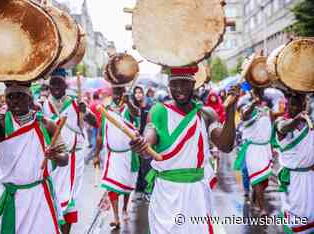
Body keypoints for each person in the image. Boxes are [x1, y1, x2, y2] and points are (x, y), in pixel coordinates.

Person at [130, 65, 239, 233]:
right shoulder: (158, 111)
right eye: (174, 84)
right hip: (166, 194)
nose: (179, 89)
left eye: (184, 83)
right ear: (168, 85)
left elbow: (226, 145)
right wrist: (143, 145)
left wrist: (230, 111)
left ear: (194, 84)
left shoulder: (206, 114)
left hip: (196, 194)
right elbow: (148, 138)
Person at [0, 82, 68, 234]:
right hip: (12, 198)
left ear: (30, 98)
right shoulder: (1, 123)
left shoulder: (47, 124)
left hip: (39, 197)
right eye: (10, 96)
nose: (15, 100)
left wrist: (55, 156)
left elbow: (65, 159)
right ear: (5, 100)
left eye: (20, 95)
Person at [42, 68, 97, 234]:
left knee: (69, 198)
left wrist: (85, 111)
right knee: (52, 197)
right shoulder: (43, 105)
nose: (56, 86)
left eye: (60, 82)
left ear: (66, 84)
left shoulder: (75, 103)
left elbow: (95, 122)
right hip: (53, 160)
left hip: (73, 159)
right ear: (49, 86)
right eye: (53, 83)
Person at [93, 85, 140, 229]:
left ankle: (125, 208)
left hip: (128, 155)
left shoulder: (129, 108)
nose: (118, 95)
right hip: (112, 156)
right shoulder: (106, 111)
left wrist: (129, 102)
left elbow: (136, 113)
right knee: (113, 187)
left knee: (127, 186)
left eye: (121, 92)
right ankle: (115, 217)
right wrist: (96, 154)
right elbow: (100, 135)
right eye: (116, 92)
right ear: (112, 94)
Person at [274, 93, 314, 234]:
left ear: (303, 106)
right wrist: (297, 119)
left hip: (310, 176)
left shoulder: (310, 123)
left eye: (296, 105)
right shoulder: (280, 121)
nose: (292, 108)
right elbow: (284, 128)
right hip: (294, 178)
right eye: (290, 104)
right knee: (296, 217)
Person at [234, 88, 273, 216]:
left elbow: (270, 129)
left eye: (261, 92)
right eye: (257, 93)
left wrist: (272, 147)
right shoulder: (248, 109)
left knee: (263, 180)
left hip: (266, 148)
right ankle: (263, 208)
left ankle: (254, 200)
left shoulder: (267, 110)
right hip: (253, 150)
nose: (260, 95)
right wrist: (253, 103)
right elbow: (244, 115)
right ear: (252, 94)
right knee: (257, 178)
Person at [132, 86, 154, 199]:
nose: (138, 94)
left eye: (140, 92)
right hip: (134, 140)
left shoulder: (149, 107)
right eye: (136, 93)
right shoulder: (132, 107)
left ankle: (147, 190)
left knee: (146, 166)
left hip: (146, 140)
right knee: (138, 166)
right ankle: (138, 190)